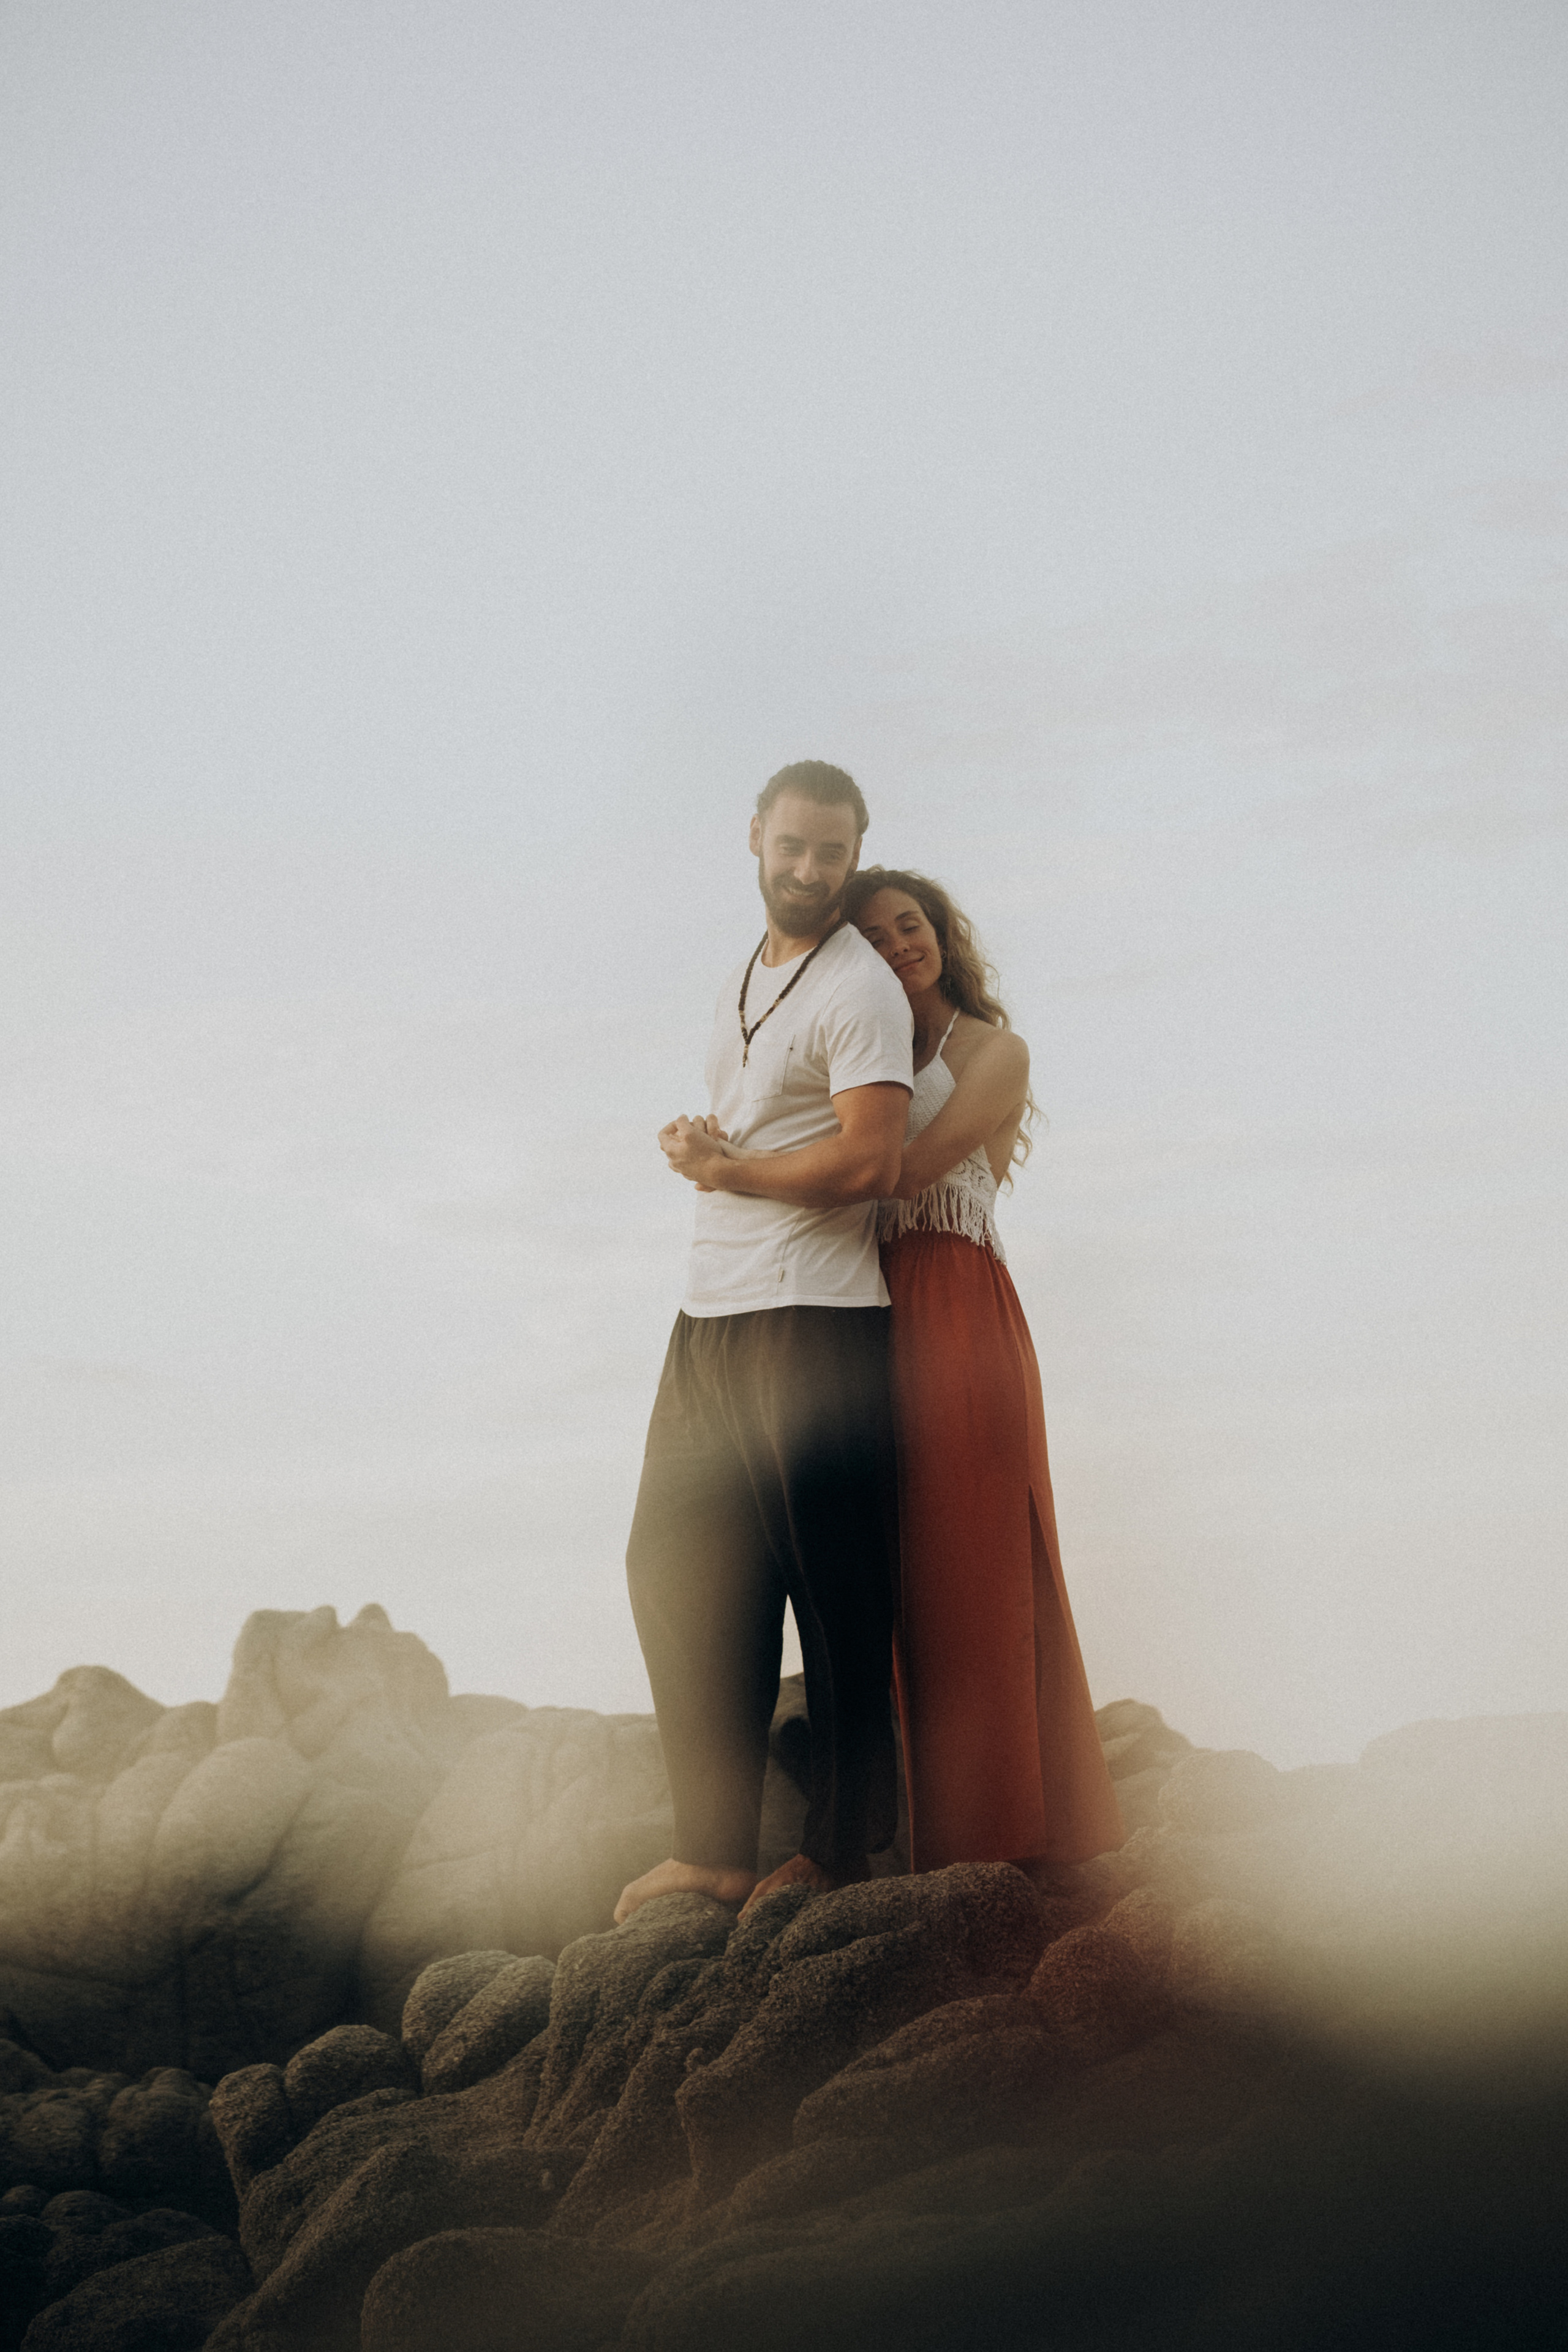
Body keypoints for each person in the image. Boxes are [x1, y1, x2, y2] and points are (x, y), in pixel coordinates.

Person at [614, 763, 914, 1924]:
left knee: (833, 1593)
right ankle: (715, 1850)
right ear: (753, 837)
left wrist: (729, 1169)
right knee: (678, 1566)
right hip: (711, 1310)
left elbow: (871, 1160)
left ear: (853, 854)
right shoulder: (753, 969)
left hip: (818, 1319)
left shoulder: (860, 989)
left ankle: (842, 1856)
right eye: (791, 846)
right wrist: (715, 1142)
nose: (808, 870)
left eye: (830, 854)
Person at [843, 865, 1123, 1877]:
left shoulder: (996, 1052)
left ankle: (1010, 1839)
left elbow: (902, 1171)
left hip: (958, 1303)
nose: (896, 947)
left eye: (907, 926)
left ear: (940, 932)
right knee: (894, 1576)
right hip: (868, 1313)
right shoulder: (867, 1054)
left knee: (979, 1557)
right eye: (870, 938)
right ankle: (930, 1843)